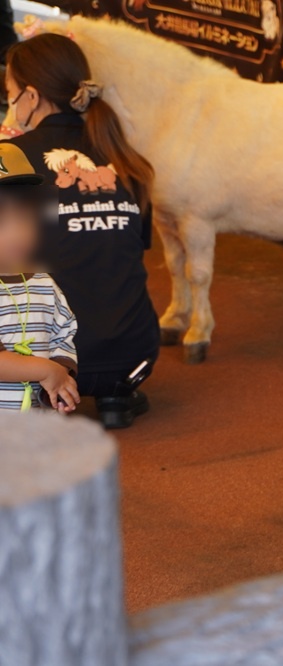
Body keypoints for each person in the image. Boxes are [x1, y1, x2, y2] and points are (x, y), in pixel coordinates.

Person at [5, 33, 159, 429]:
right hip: (136, 358)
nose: (10, 105)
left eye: (10, 93)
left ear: (31, 96)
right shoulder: (127, 159)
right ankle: (115, 398)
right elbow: (129, 249)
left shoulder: (14, 161)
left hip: (47, 364)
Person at [0, 142, 79, 413]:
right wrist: (46, 371)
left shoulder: (44, 283)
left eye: (25, 217)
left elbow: (63, 335)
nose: (17, 232)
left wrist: (62, 377)